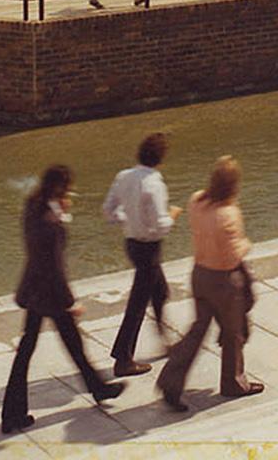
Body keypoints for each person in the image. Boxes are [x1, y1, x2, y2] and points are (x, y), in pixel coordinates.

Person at [0, 164, 125, 435]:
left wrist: (61, 214)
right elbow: (56, 267)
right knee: (71, 345)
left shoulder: (33, 207)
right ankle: (99, 388)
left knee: (32, 351)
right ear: (61, 189)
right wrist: (70, 302)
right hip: (51, 295)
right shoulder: (51, 225)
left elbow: (39, 251)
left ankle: (13, 413)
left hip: (33, 288)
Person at [157, 156, 262, 411]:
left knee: (197, 330)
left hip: (199, 274)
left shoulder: (196, 201)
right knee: (233, 331)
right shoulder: (229, 214)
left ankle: (171, 379)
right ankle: (233, 382)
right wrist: (247, 243)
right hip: (224, 280)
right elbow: (234, 254)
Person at [104, 132, 181, 376]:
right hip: (149, 247)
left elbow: (108, 210)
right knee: (138, 304)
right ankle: (123, 358)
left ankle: (164, 339)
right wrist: (174, 215)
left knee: (160, 291)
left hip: (132, 244)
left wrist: (129, 219)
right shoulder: (154, 184)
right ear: (161, 159)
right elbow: (161, 225)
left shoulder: (123, 176)